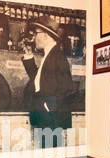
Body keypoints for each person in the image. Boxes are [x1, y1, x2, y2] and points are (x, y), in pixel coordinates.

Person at [21, 15, 75, 148]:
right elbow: (38, 82)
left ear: (45, 35)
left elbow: (67, 87)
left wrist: (48, 107)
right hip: (45, 118)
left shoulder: (57, 56)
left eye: (36, 33)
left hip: (51, 119)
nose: (33, 38)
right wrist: (29, 57)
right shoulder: (49, 55)